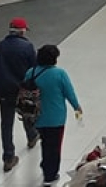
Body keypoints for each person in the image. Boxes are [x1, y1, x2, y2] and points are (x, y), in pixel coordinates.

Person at [0, 16, 38, 172]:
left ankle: (8, 157)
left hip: (3, 92)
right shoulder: (27, 47)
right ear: (22, 32)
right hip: (22, 90)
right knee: (26, 113)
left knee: (6, 124)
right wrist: (35, 88)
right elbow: (34, 69)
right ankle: (32, 136)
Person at [24, 44, 82, 186]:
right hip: (56, 118)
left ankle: (45, 166)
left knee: (45, 142)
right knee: (55, 146)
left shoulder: (31, 73)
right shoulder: (59, 74)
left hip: (37, 117)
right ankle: (50, 174)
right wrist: (77, 107)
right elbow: (69, 93)